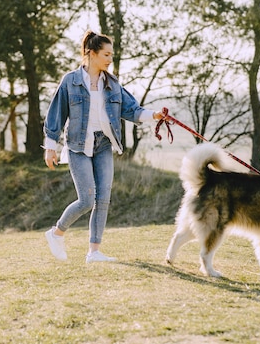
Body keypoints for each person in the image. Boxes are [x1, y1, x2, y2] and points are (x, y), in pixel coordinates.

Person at [43, 30, 167, 263]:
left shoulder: (112, 83)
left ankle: (94, 252)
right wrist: (50, 147)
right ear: (91, 53)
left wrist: (156, 115)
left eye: (112, 55)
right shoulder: (71, 81)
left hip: (103, 144)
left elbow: (131, 110)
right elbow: (56, 115)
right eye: (106, 54)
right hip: (78, 145)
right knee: (87, 200)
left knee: (103, 199)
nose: (110, 59)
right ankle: (56, 233)